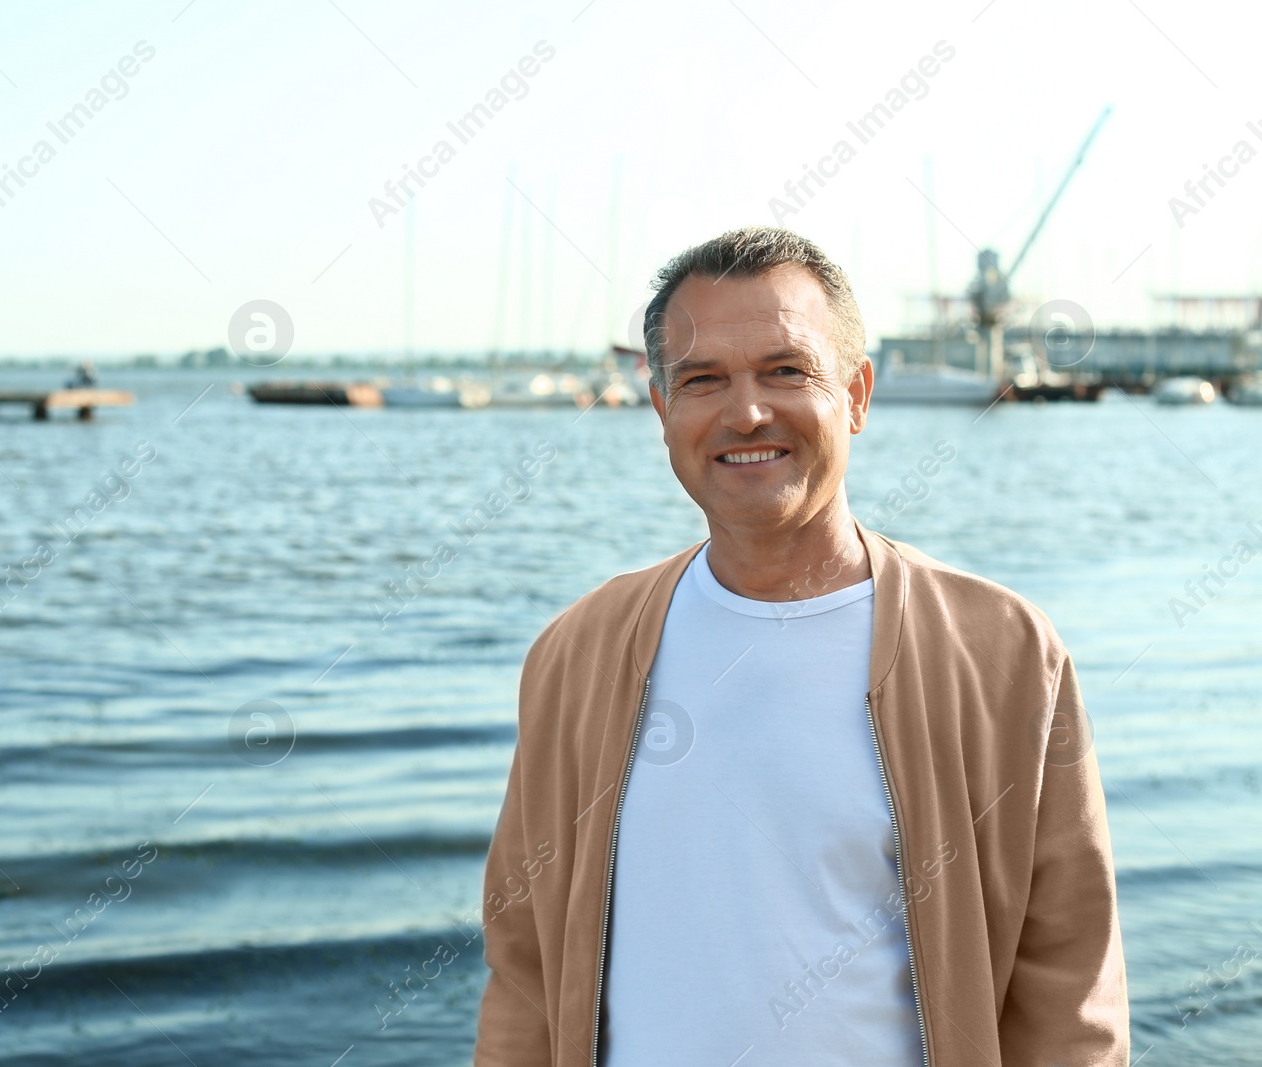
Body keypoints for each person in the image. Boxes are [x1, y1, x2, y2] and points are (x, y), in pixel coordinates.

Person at [473, 226, 1129, 1065]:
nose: (746, 411)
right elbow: (524, 966)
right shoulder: (576, 653)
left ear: (856, 393)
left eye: (786, 370)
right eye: (704, 379)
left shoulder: (1001, 653)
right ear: (663, 408)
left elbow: (1068, 982)